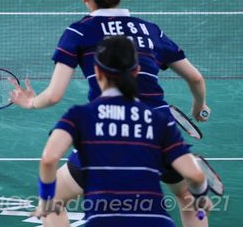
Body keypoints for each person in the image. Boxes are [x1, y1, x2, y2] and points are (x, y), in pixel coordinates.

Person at [11, 0, 211, 227]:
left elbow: (55, 95)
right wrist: (199, 105)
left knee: (54, 200)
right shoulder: (149, 30)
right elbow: (195, 77)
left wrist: (31, 102)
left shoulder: (79, 32)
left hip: (103, 131)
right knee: (189, 199)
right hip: (159, 129)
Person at [35, 36, 212, 226]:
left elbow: (48, 159)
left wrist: (46, 199)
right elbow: (196, 176)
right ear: (136, 71)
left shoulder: (80, 116)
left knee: (54, 199)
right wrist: (200, 195)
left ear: (97, 72)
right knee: (189, 199)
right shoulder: (160, 121)